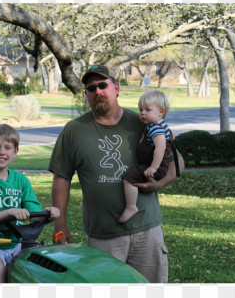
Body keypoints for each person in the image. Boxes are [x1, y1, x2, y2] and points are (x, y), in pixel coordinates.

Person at [48, 64, 183, 283]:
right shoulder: (73, 131)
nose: (97, 91)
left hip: (147, 230)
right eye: (91, 88)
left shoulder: (143, 122)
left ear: (117, 88)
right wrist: (60, 224)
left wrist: (157, 184)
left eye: (103, 85)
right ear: (86, 95)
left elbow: (178, 162)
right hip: (104, 236)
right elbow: (61, 179)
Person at [0, 123, 60, 283]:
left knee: (41, 263)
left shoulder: (21, 180)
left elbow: (33, 216)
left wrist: (48, 213)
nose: (2, 152)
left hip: (15, 242)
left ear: (15, 152)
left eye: (7, 147)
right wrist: (9, 211)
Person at [119, 89, 180, 224]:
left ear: (161, 112)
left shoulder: (155, 128)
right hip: (154, 165)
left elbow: (161, 148)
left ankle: (131, 207)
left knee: (129, 176)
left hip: (155, 167)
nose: (142, 113)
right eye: (140, 110)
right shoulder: (161, 125)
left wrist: (153, 167)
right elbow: (171, 137)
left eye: (147, 110)